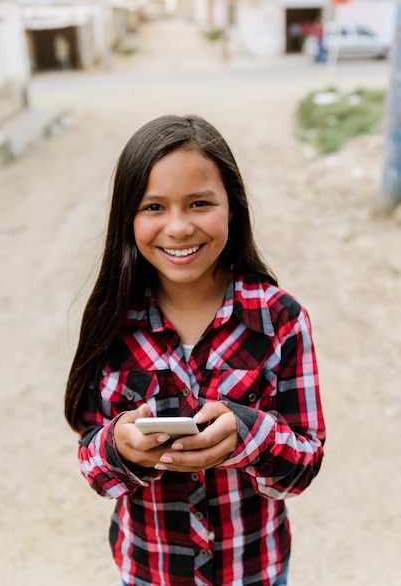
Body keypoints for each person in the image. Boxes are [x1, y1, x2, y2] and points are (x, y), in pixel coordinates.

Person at [64, 114, 326, 586]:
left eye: (200, 203)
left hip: (254, 571)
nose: (179, 227)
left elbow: (303, 466)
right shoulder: (112, 321)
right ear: (128, 217)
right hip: (150, 570)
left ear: (233, 207)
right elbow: (92, 459)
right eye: (154, 207)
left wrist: (251, 435)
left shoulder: (280, 320)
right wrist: (120, 446)